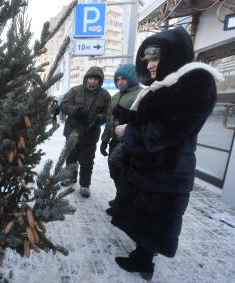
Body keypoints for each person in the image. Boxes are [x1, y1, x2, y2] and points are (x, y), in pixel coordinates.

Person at [110, 27, 222, 280]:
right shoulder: (165, 84)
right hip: (152, 168)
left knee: (154, 221)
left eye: (156, 58)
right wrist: (132, 117)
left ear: (174, 55)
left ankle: (143, 263)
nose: (150, 65)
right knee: (145, 218)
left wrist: (130, 129)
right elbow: (157, 116)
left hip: (167, 172)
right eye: (148, 59)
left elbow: (171, 128)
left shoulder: (197, 80)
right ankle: (141, 257)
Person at [60, 67, 111, 197]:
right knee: (70, 157)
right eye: (91, 78)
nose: (93, 81)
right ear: (86, 78)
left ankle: (85, 184)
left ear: (100, 80)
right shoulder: (75, 90)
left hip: (90, 133)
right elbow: (64, 104)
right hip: (73, 131)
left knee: (87, 161)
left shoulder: (105, 95)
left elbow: (108, 114)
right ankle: (71, 177)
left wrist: (99, 118)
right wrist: (75, 111)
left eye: (96, 79)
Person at [99, 64, 141, 216]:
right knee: (115, 172)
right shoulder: (115, 97)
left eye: (123, 78)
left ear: (132, 78)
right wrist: (104, 140)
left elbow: (142, 120)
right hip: (115, 141)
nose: (120, 82)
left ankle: (124, 205)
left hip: (129, 143)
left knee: (125, 175)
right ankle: (120, 198)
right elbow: (109, 121)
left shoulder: (140, 95)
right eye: (117, 79)